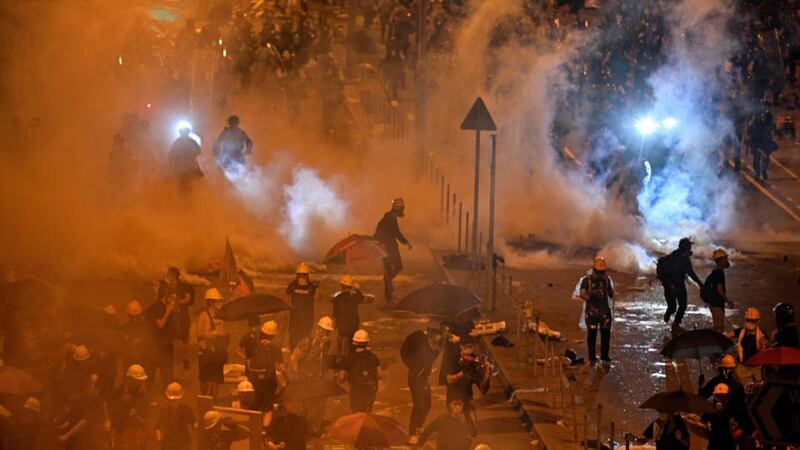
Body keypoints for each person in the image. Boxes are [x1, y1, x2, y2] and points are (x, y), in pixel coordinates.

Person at [289, 316, 334, 435]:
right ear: (318, 329)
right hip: (305, 378)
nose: (326, 334)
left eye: (328, 332)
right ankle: (304, 430)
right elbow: (294, 358)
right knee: (305, 406)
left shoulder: (327, 344)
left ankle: (315, 430)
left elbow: (325, 361)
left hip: (319, 379)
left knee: (320, 405)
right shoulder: (306, 342)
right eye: (324, 331)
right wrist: (297, 374)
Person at [401, 326, 442, 436]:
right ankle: (414, 432)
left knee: (426, 405)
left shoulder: (434, 345)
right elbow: (405, 352)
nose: (440, 339)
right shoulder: (419, 340)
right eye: (438, 336)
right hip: (416, 378)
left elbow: (429, 361)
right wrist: (414, 367)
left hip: (424, 378)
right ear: (431, 334)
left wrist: (435, 349)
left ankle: (417, 428)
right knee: (419, 405)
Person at [445, 338, 491, 435]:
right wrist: (462, 373)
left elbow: (483, 389)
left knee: (473, 430)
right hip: (454, 397)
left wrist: (487, 372)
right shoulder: (453, 358)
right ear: (461, 346)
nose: (468, 350)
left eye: (470, 347)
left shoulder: (474, 361)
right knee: (456, 429)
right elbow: (449, 379)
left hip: (467, 397)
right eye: (466, 347)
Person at [656, 238, 703, 333]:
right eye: (689, 247)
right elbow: (690, 273)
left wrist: (699, 282)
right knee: (682, 305)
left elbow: (689, 272)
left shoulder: (673, 257)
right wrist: (699, 283)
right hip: (677, 286)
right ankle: (675, 325)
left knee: (673, 307)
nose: (690, 249)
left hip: (669, 286)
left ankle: (670, 315)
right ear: (686, 248)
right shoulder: (682, 259)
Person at [374, 197, 412, 304]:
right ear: (399, 209)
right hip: (390, 248)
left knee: (388, 271)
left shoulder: (386, 218)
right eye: (402, 209)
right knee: (397, 267)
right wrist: (406, 242)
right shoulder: (391, 219)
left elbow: (378, 233)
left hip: (383, 248)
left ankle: (388, 294)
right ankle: (388, 283)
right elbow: (396, 233)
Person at [580, 257, 614, 363]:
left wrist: (611, 293)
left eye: (602, 272)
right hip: (592, 313)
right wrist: (591, 295)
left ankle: (604, 356)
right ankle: (592, 357)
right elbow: (582, 294)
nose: (600, 275)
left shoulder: (607, 280)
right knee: (592, 336)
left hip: (604, 313)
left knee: (605, 336)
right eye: (598, 272)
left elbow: (610, 292)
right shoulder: (587, 281)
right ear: (593, 270)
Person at [196, 288, 229, 398]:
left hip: (217, 352)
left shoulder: (221, 316)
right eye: (218, 301)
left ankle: (213, 401)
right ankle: (204, 399)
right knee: (205, 379)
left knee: (216, 379)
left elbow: (223, 332)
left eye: (220, 301)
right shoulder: (203, 316)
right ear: (210, 302)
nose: (220, 303)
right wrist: (214, 334)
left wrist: (223, 334)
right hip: (206, 351)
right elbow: (199, 333)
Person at [247, 320, 287, 412]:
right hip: (269, 382)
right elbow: (282, 367)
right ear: (273, 335)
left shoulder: (254, 345)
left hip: (254, 380)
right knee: (267, 407)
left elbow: (248, 360)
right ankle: (265, 425)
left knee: (255, 405)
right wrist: (287, 379)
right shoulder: (275, 348)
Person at [339, 329, 382, 413]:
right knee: (367, 413)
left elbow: (341, 377)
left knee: (357, 413)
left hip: (356, 389)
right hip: (370, 389)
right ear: (367, 343)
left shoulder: (349, 358)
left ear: (354, 343)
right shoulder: (373, 357)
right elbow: (380, 374)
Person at [110, 364, 150, 450]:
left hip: (137, 433)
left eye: (141, 381)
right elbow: (115, 413)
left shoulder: (143, 394)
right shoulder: (119, 393)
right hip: (122, 432)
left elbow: (146, 417)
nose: (141, 383)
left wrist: (137, 416)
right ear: (130, 379)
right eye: (138, 381)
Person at [121, 300, 157, 388]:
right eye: (132, 316)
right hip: (130, 358)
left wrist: (137, 341)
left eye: (136, 316)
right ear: (129, 316)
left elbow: (150, 340)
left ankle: (146, 395)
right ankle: (127, 392)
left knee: (146, 378)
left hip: (143, 358)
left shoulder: (146, 326)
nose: (134, 318)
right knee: (128, 377)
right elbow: (122, 343)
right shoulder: (125, 327)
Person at [286, 263, 320, 349]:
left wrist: (317, 288)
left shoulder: (312, 286)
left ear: (308, 276)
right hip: (295, 316)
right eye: (300, 275)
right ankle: (293, 356)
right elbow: (288, 299)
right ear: (297, 275)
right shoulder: (292, 285)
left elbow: (317, 299)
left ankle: (303, 359)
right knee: (293, 337)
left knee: (305, 338)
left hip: (307, 317)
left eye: (304, 275)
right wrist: (288, 310)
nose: (302, 277)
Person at [732, 307, 768, 385]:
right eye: (749, 320)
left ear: (758, 321)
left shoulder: (762, 333)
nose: (751, 322)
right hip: (743, 367)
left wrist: (764, 343)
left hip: (757, 367)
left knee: (758, 388)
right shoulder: (741, 331)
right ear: (745, 320)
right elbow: (728, 335)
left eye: (753, 320)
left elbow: (766, 345)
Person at [331, 275, 366, 356]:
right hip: (353, 325)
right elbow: (362, 297)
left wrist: (335, 323)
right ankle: (352, 359)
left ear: (341, 286)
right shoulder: (355, 297)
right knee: (352, 344)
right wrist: (357, 289)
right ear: (351, 286)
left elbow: (335, 313)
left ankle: (341, 359)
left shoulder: (338, 298)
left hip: (342, 326)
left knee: (342, 343)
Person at [155, 382, 196, 450]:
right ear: (167, 398)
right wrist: (158, 434)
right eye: (171, 401)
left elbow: (193, 422)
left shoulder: (185, 409)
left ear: (181, 398)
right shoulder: (164, 409)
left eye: (176, 400)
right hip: (168, 441)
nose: (174, 403)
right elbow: (158, 424)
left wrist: (196, 426)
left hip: (182, 441)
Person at [701, 249, 734, 332]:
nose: (726, 260)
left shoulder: (717, 271)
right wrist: (728, 300)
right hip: (716, 303)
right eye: (725, 258)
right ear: (719, 260)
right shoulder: (718, 273)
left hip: (715, 303)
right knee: (719, 328)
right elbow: (719, 290)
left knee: (718, 326)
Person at [701, 384, 742, 450]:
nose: (721, 399)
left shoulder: (730, 405)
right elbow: (704, 419)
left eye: (723, 396)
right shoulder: (710, 405)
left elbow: (737, 416)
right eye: (718, 396)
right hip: (715, 438)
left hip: (727, 437)